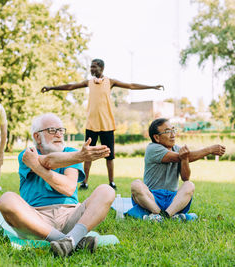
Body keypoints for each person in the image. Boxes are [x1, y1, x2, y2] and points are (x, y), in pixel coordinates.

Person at [0, 113, 115, 257]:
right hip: (36, 219)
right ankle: (73, 241)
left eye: (61, 130)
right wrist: (80, 156)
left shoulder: (71, 153)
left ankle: (70, 238)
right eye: (52, 130)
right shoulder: (28, 154)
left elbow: (68, 188)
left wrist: (38, 167)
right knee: (6, 199)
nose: (59, 135)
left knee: (106, 191)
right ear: (37, 137)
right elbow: (49, 161)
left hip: (70, 217)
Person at [41, 58, 164, 190]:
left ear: (101, 68)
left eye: (94, 67)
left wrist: (152, 87)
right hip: (91, 124)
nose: (91, 69)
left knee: (109, 156)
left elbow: (131, 85)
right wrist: (51, 88)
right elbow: (71, 86)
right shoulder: (89, 82)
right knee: (87, 155)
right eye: (91, 67)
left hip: (107, 125)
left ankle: (111, 182)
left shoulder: (110, 82)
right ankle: (85, 182)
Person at [127, 118, 226, 222]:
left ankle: (167, 215)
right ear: (156, 137)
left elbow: (185, 177)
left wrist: (184, 160)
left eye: (173, 130)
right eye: (167, 131)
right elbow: (182, 157)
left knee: (189, 185)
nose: (172, 134)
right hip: (152, 199)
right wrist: (209, 150)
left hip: (172, 200)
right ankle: (157, 213)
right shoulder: (153, 148)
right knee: (136, 185)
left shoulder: (177, 149)